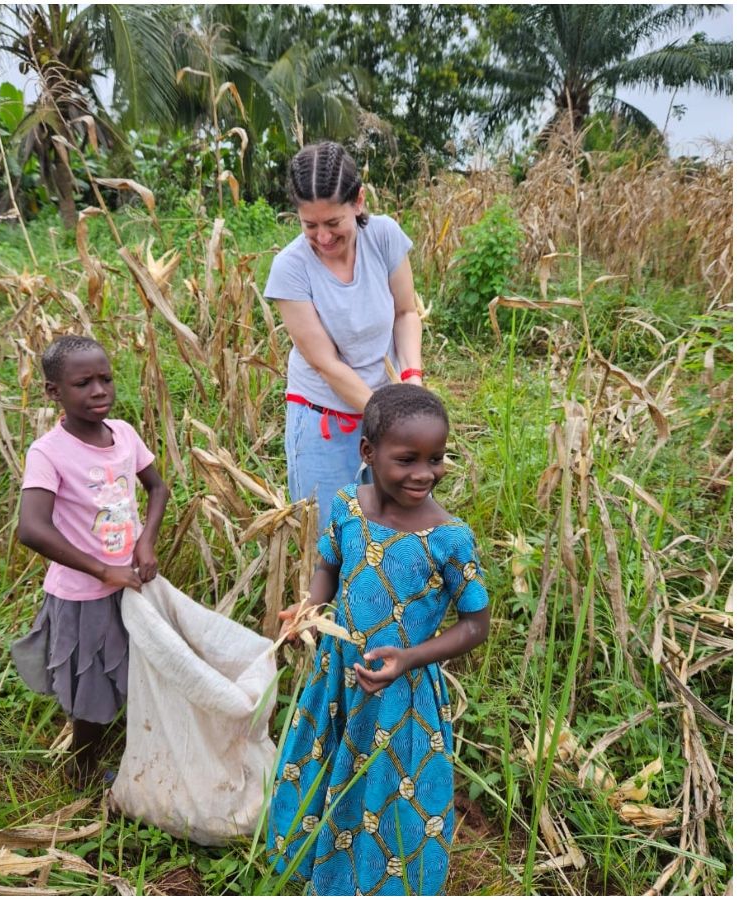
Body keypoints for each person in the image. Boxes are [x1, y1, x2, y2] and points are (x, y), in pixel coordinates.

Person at [266, 384, 490, 895]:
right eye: (407, 459)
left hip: (400, 694)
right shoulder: (348, 506)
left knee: (388, 790)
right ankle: (317, 867)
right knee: (329, 769)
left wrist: (409, 658)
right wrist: (311, 608)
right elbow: (329, 565)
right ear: (368, 452)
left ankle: (380, 882)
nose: (424, 473)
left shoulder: (449, 538)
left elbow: (476, 625)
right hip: (337, 674)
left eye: (436, 458)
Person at [10, 334, 170, 784]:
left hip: (131, 584)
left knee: (131, 672)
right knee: (92, 687)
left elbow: (156, 487)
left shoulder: (124, 435)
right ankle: (82, 771)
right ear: (54, 392)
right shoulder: (49, 453)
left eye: (106, 379)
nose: (99, 391)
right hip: (84, 593)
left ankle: (127, 752)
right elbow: (32, 528)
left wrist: (145, 543)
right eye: (83, 383)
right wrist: (102, 569)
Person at [266, 141, 425, 524]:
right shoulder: (291, 268)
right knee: (331, 541)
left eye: (333, 223)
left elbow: (406, 313)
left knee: (391, 532)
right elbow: (325, 364)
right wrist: (389, 421)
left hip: (385, 413)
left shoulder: (384, 236)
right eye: (310, 226)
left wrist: (413, 383)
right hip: (325, 421)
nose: (322, 237)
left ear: (358, 201)